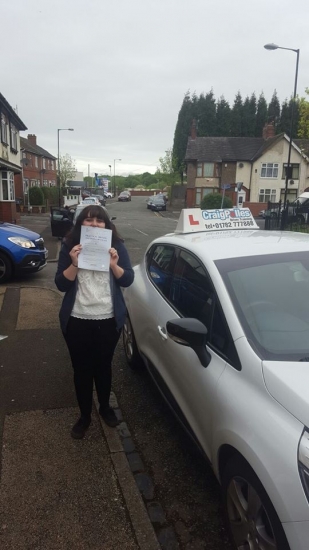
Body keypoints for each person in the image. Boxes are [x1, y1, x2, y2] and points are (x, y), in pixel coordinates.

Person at [55, 205, 134, 439]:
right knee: (81, 370)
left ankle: (106, 408)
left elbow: (128, 279)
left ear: (106, 226)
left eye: (99, 221)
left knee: (103, 367)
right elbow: (61, 284)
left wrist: (114, 265)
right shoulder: (70, 246)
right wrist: (74, 262)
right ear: (81, 225)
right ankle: (84, 416)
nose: (94, 225)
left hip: (108, 319)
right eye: (88, 221)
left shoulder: (116, 246)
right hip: (77, 318)